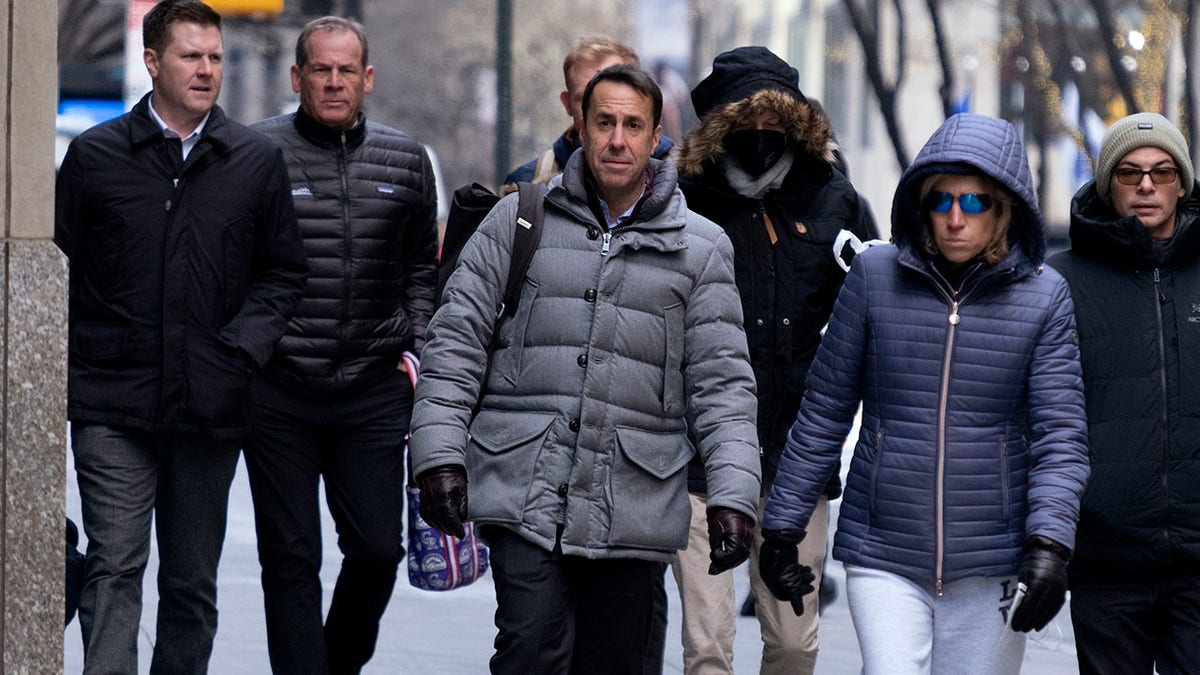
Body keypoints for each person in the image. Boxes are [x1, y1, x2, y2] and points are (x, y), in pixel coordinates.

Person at [409, 65, 761, 674]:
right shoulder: (518, 219)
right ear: (580, 125)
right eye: (604, 123)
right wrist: (438, 456)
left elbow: (723, 386)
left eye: (632, 126)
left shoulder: (700, 250)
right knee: (530, 648)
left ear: (656, 139)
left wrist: (733, 496)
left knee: (613, 662)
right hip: (522, 480)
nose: (616, 139)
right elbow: (455, 342)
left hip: (634, 498)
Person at [759, 113, 1091, 675]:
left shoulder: (1044, 296)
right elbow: (823, 412)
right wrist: (783, 530)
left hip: (992, 557)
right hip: (883, 547)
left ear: (1004, 207)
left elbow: (1061, 437)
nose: (955, 219)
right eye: (941, 202)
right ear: (921, 204)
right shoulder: (873, 278)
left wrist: (1050, 547)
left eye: (975, 203)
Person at [54, 1, 308, 672]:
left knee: (191, 582)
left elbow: (282, 273)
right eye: (192, 56)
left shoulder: (253, 161)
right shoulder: (95, 157)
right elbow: (58, 267)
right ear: (153, 62)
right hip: (113, 400)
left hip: (209, 402)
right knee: (114, 565)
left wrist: (240, 350)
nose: (207, 70)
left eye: (216, 57)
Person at [672, 45, 877, 675]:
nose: (760, 136)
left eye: (774, 122)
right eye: (745, 124)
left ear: (795, 124)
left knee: (793, 644)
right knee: (707, 646)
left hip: (797, 460)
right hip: (701, 457)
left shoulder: (834, 200)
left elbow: (868, 321)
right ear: (720, 130)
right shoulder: (682, 201)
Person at [246, 16, 439, 675]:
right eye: (320, 70)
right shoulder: (254, 154)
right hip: (279, 387)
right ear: (297, 77)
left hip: (372, 387)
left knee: (379, 548)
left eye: (346, 70)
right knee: (290, 557)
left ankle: (334, 664)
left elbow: (421, 269)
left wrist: (415, 348)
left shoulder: (407, 159)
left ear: (368, 78)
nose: (334, 82)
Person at [1046, 112, 1200, 675]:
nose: (1146, 186)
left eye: (1161, 172)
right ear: (1107, 184)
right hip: (1106, 555)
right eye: (1130, 173)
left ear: (1182, 183)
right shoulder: (1058, 282)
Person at [504, 37, 673, 186]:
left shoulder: (681, 178)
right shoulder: (528, 183)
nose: (598, 106)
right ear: (567, 103)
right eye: (584, 98)